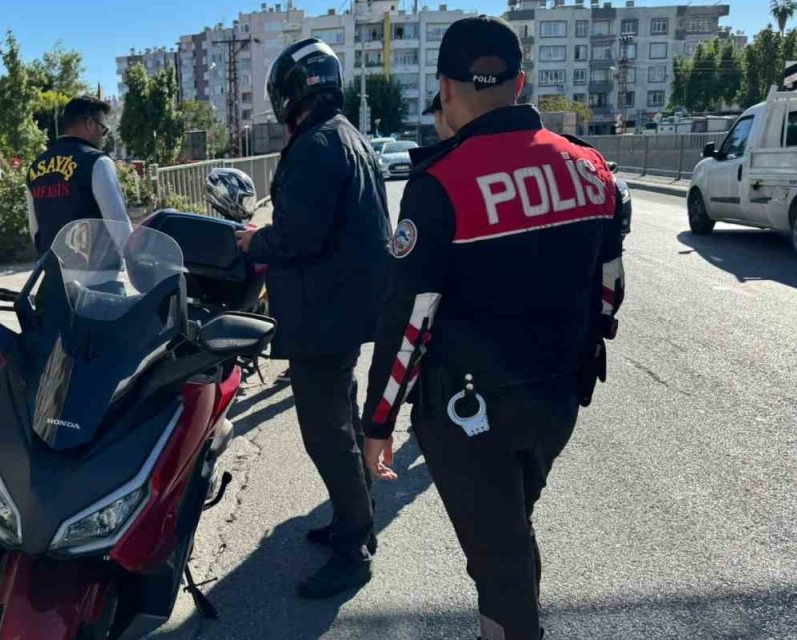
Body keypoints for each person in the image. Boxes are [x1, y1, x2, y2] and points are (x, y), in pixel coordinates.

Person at [358, 16, 626, 640]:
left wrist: (378, 423)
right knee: (511, 534)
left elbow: (408, 321)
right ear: (521, 82)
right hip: (558, 400)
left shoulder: (440, 184)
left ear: (446, 89)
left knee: (498, 565)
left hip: (468, 416)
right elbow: (609, 290)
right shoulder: (591, 167)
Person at [234, 37, 392, 599]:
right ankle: (358, 510)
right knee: (341, 420)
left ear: (289, 93)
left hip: (324, 313)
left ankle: (355, 544)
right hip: (343, 308)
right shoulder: (346, 136)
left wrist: (256, 242)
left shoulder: (315, 145)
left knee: (325, 433)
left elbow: (299, 233)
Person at [26, 95, 131, 253]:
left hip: (55, 272)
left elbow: (35, 230)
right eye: (103, 129)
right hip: (98, 272)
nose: (103, 136)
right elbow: (118, 224)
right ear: (90, 123)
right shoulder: (97, 161)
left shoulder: (35, 167)